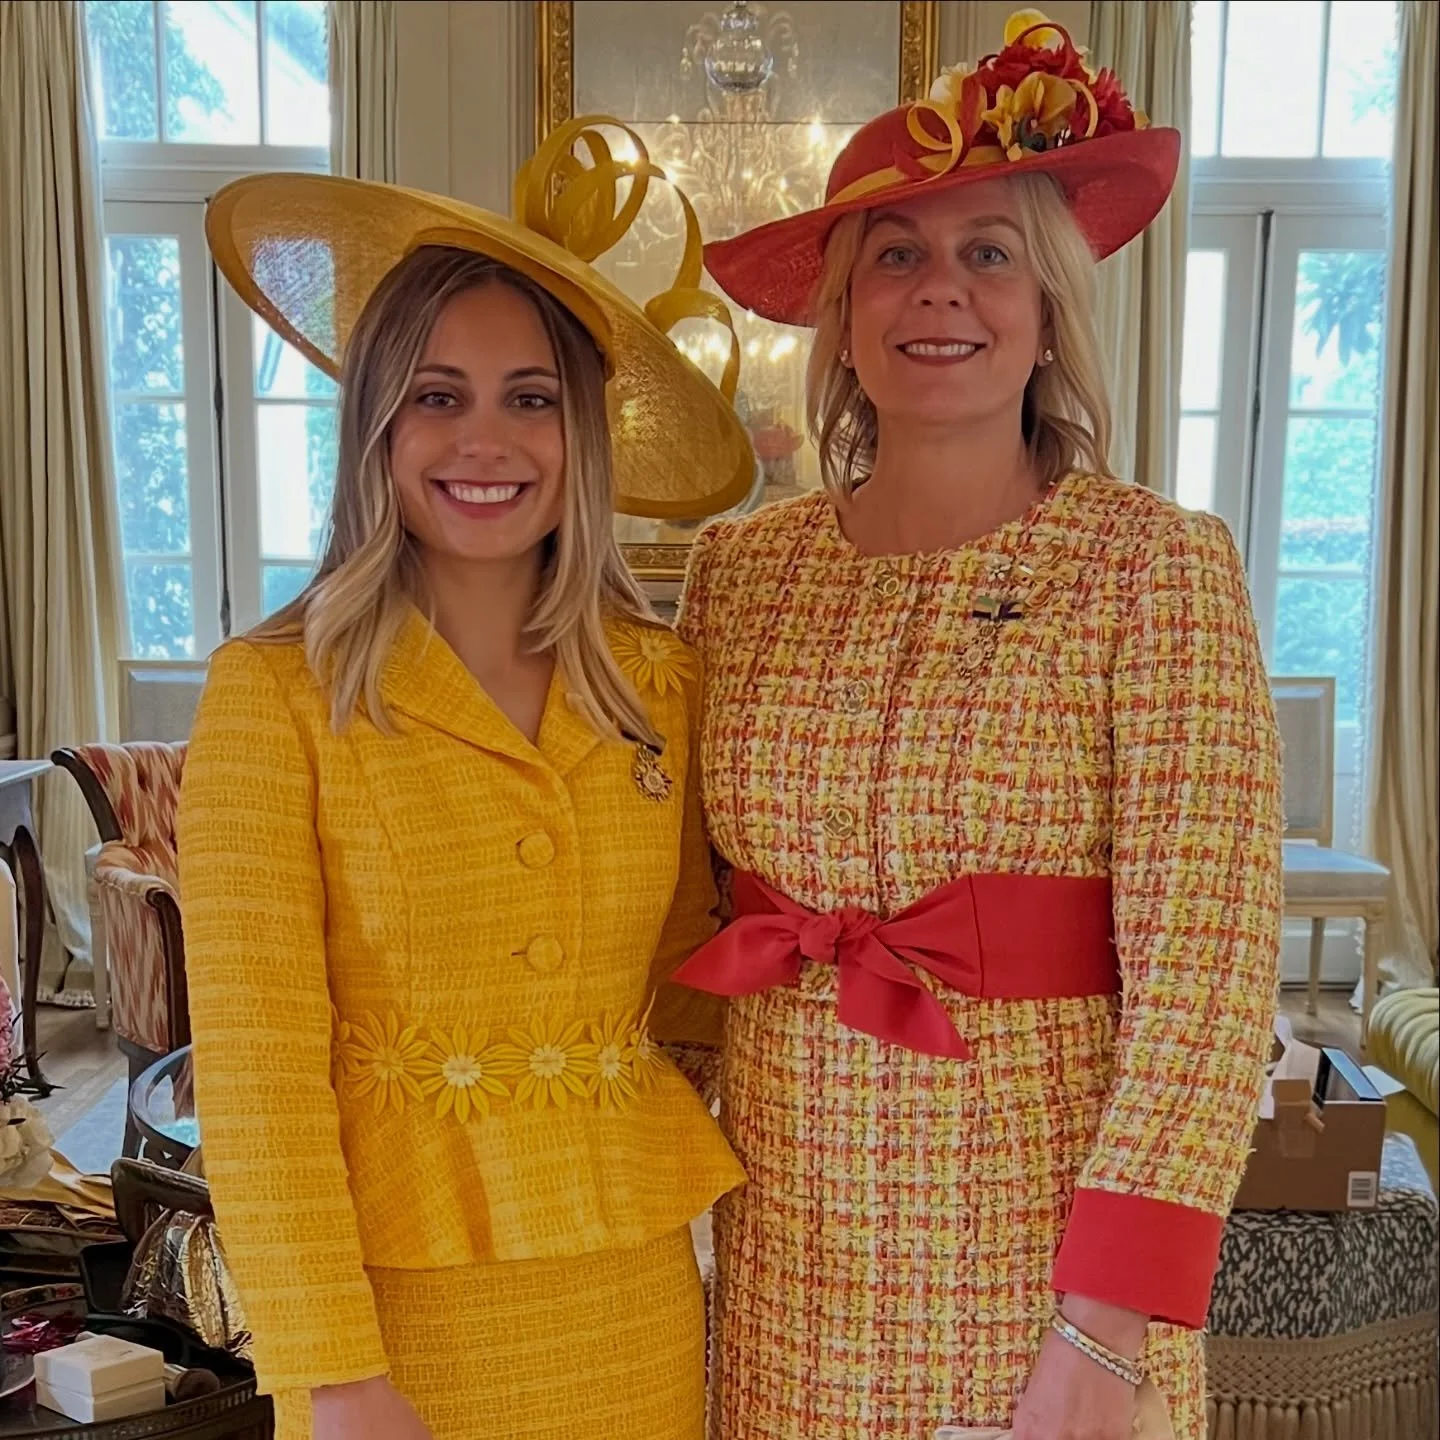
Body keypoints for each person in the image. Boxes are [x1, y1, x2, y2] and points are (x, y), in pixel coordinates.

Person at [673, 12, 1283, 1440]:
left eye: (986, 253)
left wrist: (1105, 1334)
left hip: (1043, 1285)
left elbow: (1207, 986)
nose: (937, 291)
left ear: (1051, 306)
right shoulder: (739, 573)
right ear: (838, 311)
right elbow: (678, 923)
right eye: (895, 253)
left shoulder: (1155, 566)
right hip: (779, 1275)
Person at [176, 121, 751, 1440]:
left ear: (582, 433)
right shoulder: (275, 696)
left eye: (528, 397)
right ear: (378, 421)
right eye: (437, 395)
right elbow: (260, 1080)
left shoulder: (659, 684)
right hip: (394, 1320)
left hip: (631, 1300)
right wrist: (331, 1371)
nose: (482, 441)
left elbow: (688, 979)